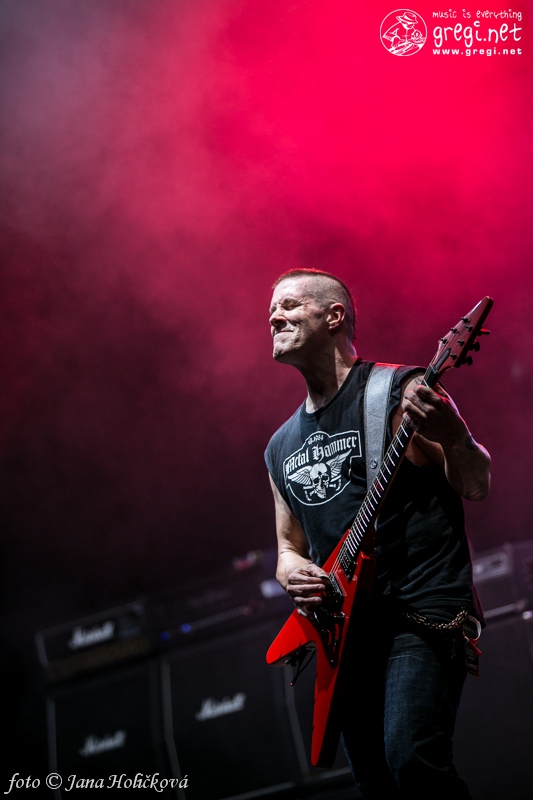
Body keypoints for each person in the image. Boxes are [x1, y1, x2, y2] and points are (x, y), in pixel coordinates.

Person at [264, 268, 490, 799]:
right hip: (347, 635)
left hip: (421, 611)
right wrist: (294, 574)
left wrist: (455, 434)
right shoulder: (279, 445)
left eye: (290, 306)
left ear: (333, 316)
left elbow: (476, 484)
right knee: (376, 786)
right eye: (271, 311)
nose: (274, 317)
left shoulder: (398, 390)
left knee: (413, 760)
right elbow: (288, 549)